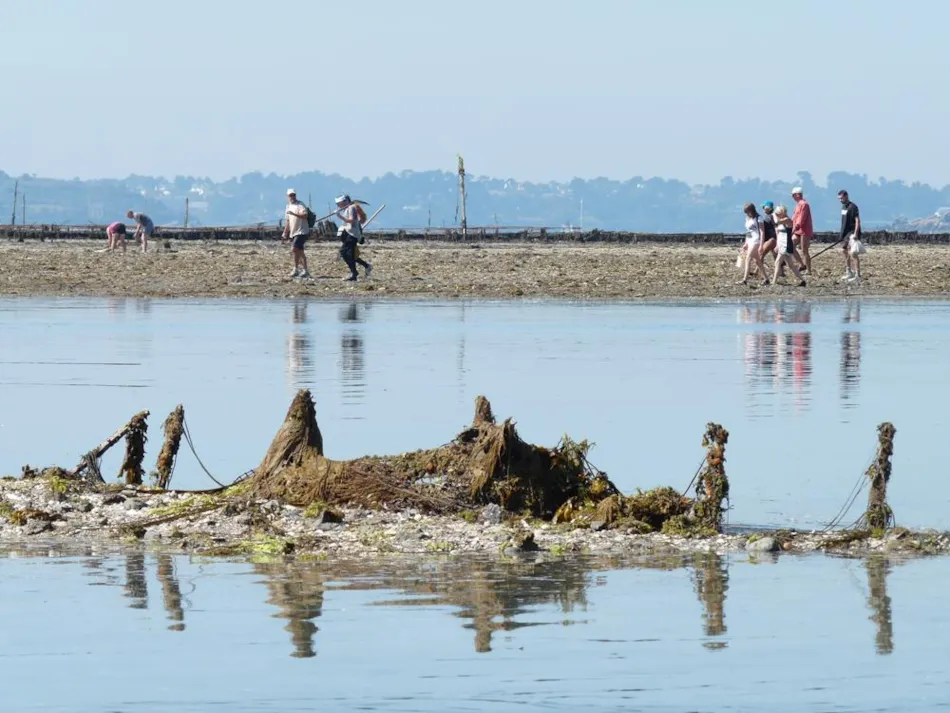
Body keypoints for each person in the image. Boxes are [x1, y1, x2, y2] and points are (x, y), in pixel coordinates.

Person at [334, 194, 372, 282]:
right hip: (349, 234)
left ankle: (354, 273)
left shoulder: (351, 208)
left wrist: (339, 216)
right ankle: (363, 268)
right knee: (351, 255)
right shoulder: (347, 208)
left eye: (339, 203)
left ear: (344, 202)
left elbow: (351, 220)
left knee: (344, 252)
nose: (338, 206)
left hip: (352, 234)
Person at [770, 205, 806, 287]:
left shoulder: (787, 220)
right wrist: (777, 245)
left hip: (786, 243)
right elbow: (779, 234)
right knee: (791, 265)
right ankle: (803, 280)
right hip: (782, 243)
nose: (777, 215)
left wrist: (773, 214)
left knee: (777, 262)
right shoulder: (782, 220)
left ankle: (774, 281)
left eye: (778, 213)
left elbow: (776, 222)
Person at [737, 202, 769, 286]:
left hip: (757, 240)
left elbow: (762, 232)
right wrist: (746, 243)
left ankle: (744, 280)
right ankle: (766, 279)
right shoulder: (747, 219)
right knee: (757, 261)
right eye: (746, 212)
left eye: (748, 211)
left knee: (748, 258)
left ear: (752, 210)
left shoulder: (759, 218)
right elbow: (748, 232)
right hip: (750, 240)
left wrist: (761, 245)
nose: (747, 213)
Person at [281, 189, 311, 279]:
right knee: (300, 251)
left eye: (293, 195)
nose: (292, 197)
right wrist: (285, 232)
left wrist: (294, 214)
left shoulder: (300, 204)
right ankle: (304, 270)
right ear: (288, 197)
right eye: (290, 195)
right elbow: (288, 220)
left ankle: (296, 269)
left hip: (302, 231)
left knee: (294, 249)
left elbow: (305, 215)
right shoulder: (288, 206)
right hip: (294, 232)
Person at [838, 189, 862, 282]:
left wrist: (856, 233)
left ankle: (857, 275)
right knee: (844, 250)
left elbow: (857, 220)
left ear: (846, 196)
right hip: (845, 233)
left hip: (852, 232)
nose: (840, 200)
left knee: (853, 253)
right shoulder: (843, 207)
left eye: (842, 198)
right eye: (839, 199)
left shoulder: (853, 207)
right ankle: (849, 271)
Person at [791, 186, 813, 273]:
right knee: (791, 246)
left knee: (804, 250)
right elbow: (795, 218)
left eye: (793, 195)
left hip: (804, 230)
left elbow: (801, 219)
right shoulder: (798, 205)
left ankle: (809, 270)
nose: (792, 197)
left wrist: (795, 227)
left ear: (797, 195)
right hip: (797, 230)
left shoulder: (804, 204)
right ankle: (802, 264)